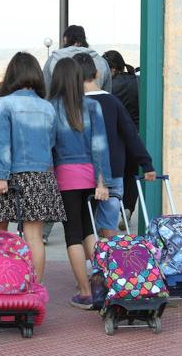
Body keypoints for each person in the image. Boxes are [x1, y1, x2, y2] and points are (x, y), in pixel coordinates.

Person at [0, 52, 66, 283]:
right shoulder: (47, 107)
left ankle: (3, 280)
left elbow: (2, 145)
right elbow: (51, 143)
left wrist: (0, 175)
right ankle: (35, 287)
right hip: (42, 175)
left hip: (12, 175)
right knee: (34, 236)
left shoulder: (3, 104)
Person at [49, 58, 112, 309]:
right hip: (90, 177)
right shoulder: (93, 106)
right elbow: (100, 146)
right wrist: (101, 181)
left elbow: (49, 147)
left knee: (72, 234)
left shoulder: (50, 107)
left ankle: (85, 293)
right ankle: (101, 285)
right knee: (89, 231)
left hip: (65, 177)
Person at [73, 53, 156, 236]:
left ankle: (89, 263)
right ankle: (108, 262)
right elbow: (130, 134)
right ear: (97, 74)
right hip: (114, 170)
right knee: (108, 227)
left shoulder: (73, 105)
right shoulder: (112, 101)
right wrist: (146, 164)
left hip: (83, 172)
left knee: (85, 230)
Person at [103, 50, 141, 227]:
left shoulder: (108, 87)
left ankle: (110, 213)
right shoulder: (137, 82)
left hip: (114, 138)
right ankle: (128, 208)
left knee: (114, 176)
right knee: (131, 175)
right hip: (135, 135)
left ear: (111, 68)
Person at [43, 25, 112, 94]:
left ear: (65, 39)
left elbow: (46, 89)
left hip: (63, 103)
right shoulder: (101, 61)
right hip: (97, 102)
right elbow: (107, 90)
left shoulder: (53, 59)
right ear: (84, 39)